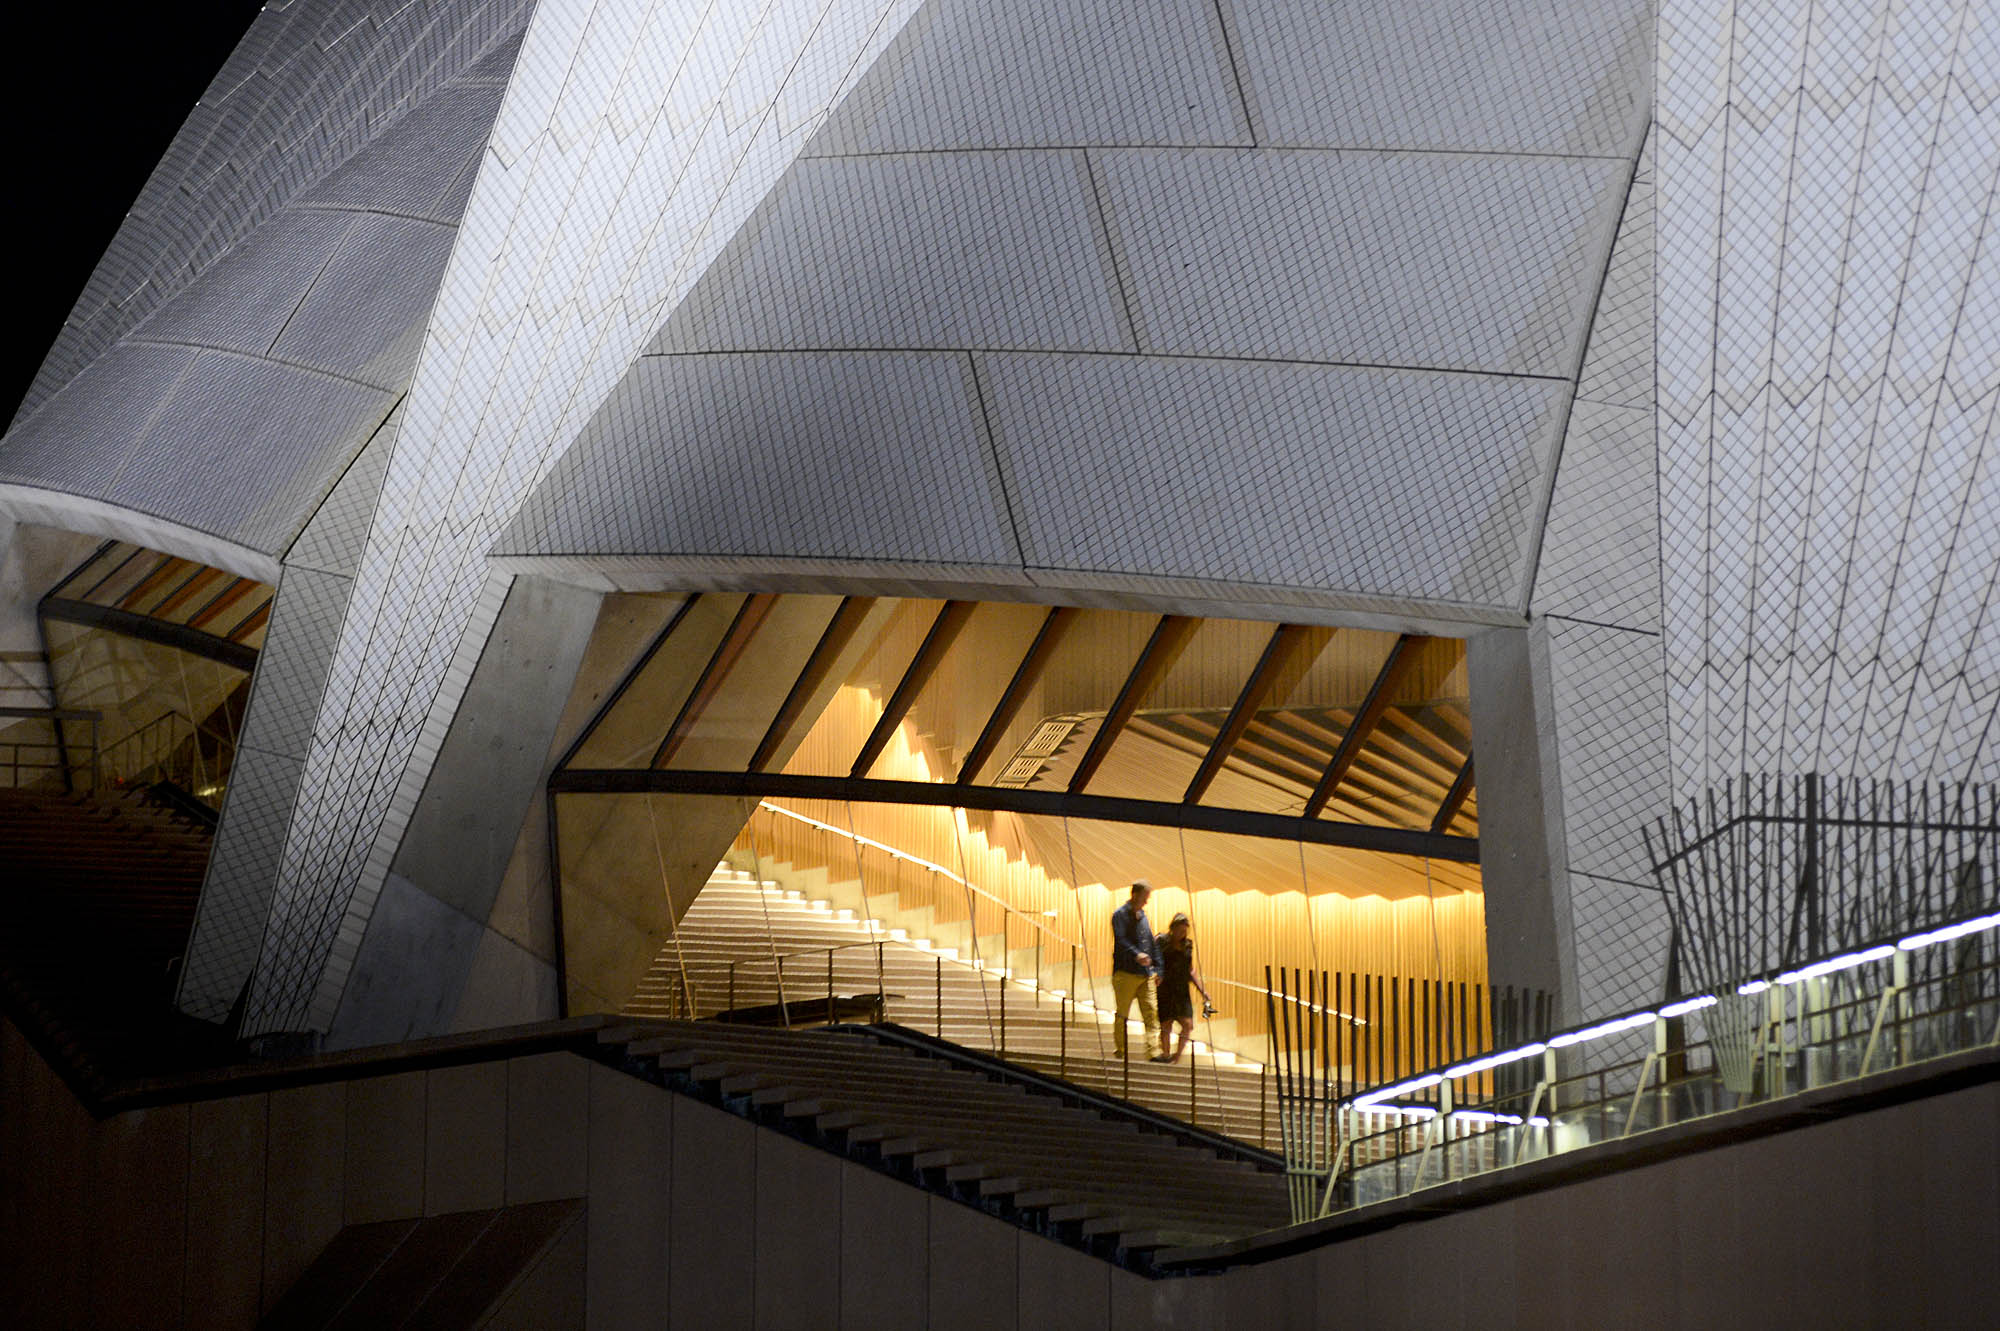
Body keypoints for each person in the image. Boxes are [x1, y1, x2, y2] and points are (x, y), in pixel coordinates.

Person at [1109, 879, 1168, 1062]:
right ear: (1135, 895)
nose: (1146, 901)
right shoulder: (1120, 915)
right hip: (1126, 973)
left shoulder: (1143, 916)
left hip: (1145, 974)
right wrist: (1137, 955)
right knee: (1123, 1013)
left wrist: (1158, 968)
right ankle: (1121, 1049)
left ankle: (1154, 1052)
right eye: (1145, 897)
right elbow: (1121, 939)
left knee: (1151, 1013)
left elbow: (1151, 944)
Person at [1157, 912, 1213, 1063]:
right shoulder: (1162, 942)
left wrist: (1202, 991)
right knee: (1166, 1023)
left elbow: (1191, 970)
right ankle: (1166, 1054)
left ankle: (1177, 1056)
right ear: (1173, 928)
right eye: (1180, 930)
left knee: (1188, 1025)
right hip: (1166, 988)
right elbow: (1155, 961)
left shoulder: (1188, 945)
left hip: (1182, 990)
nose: (1182, 934)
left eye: (1185, 930)